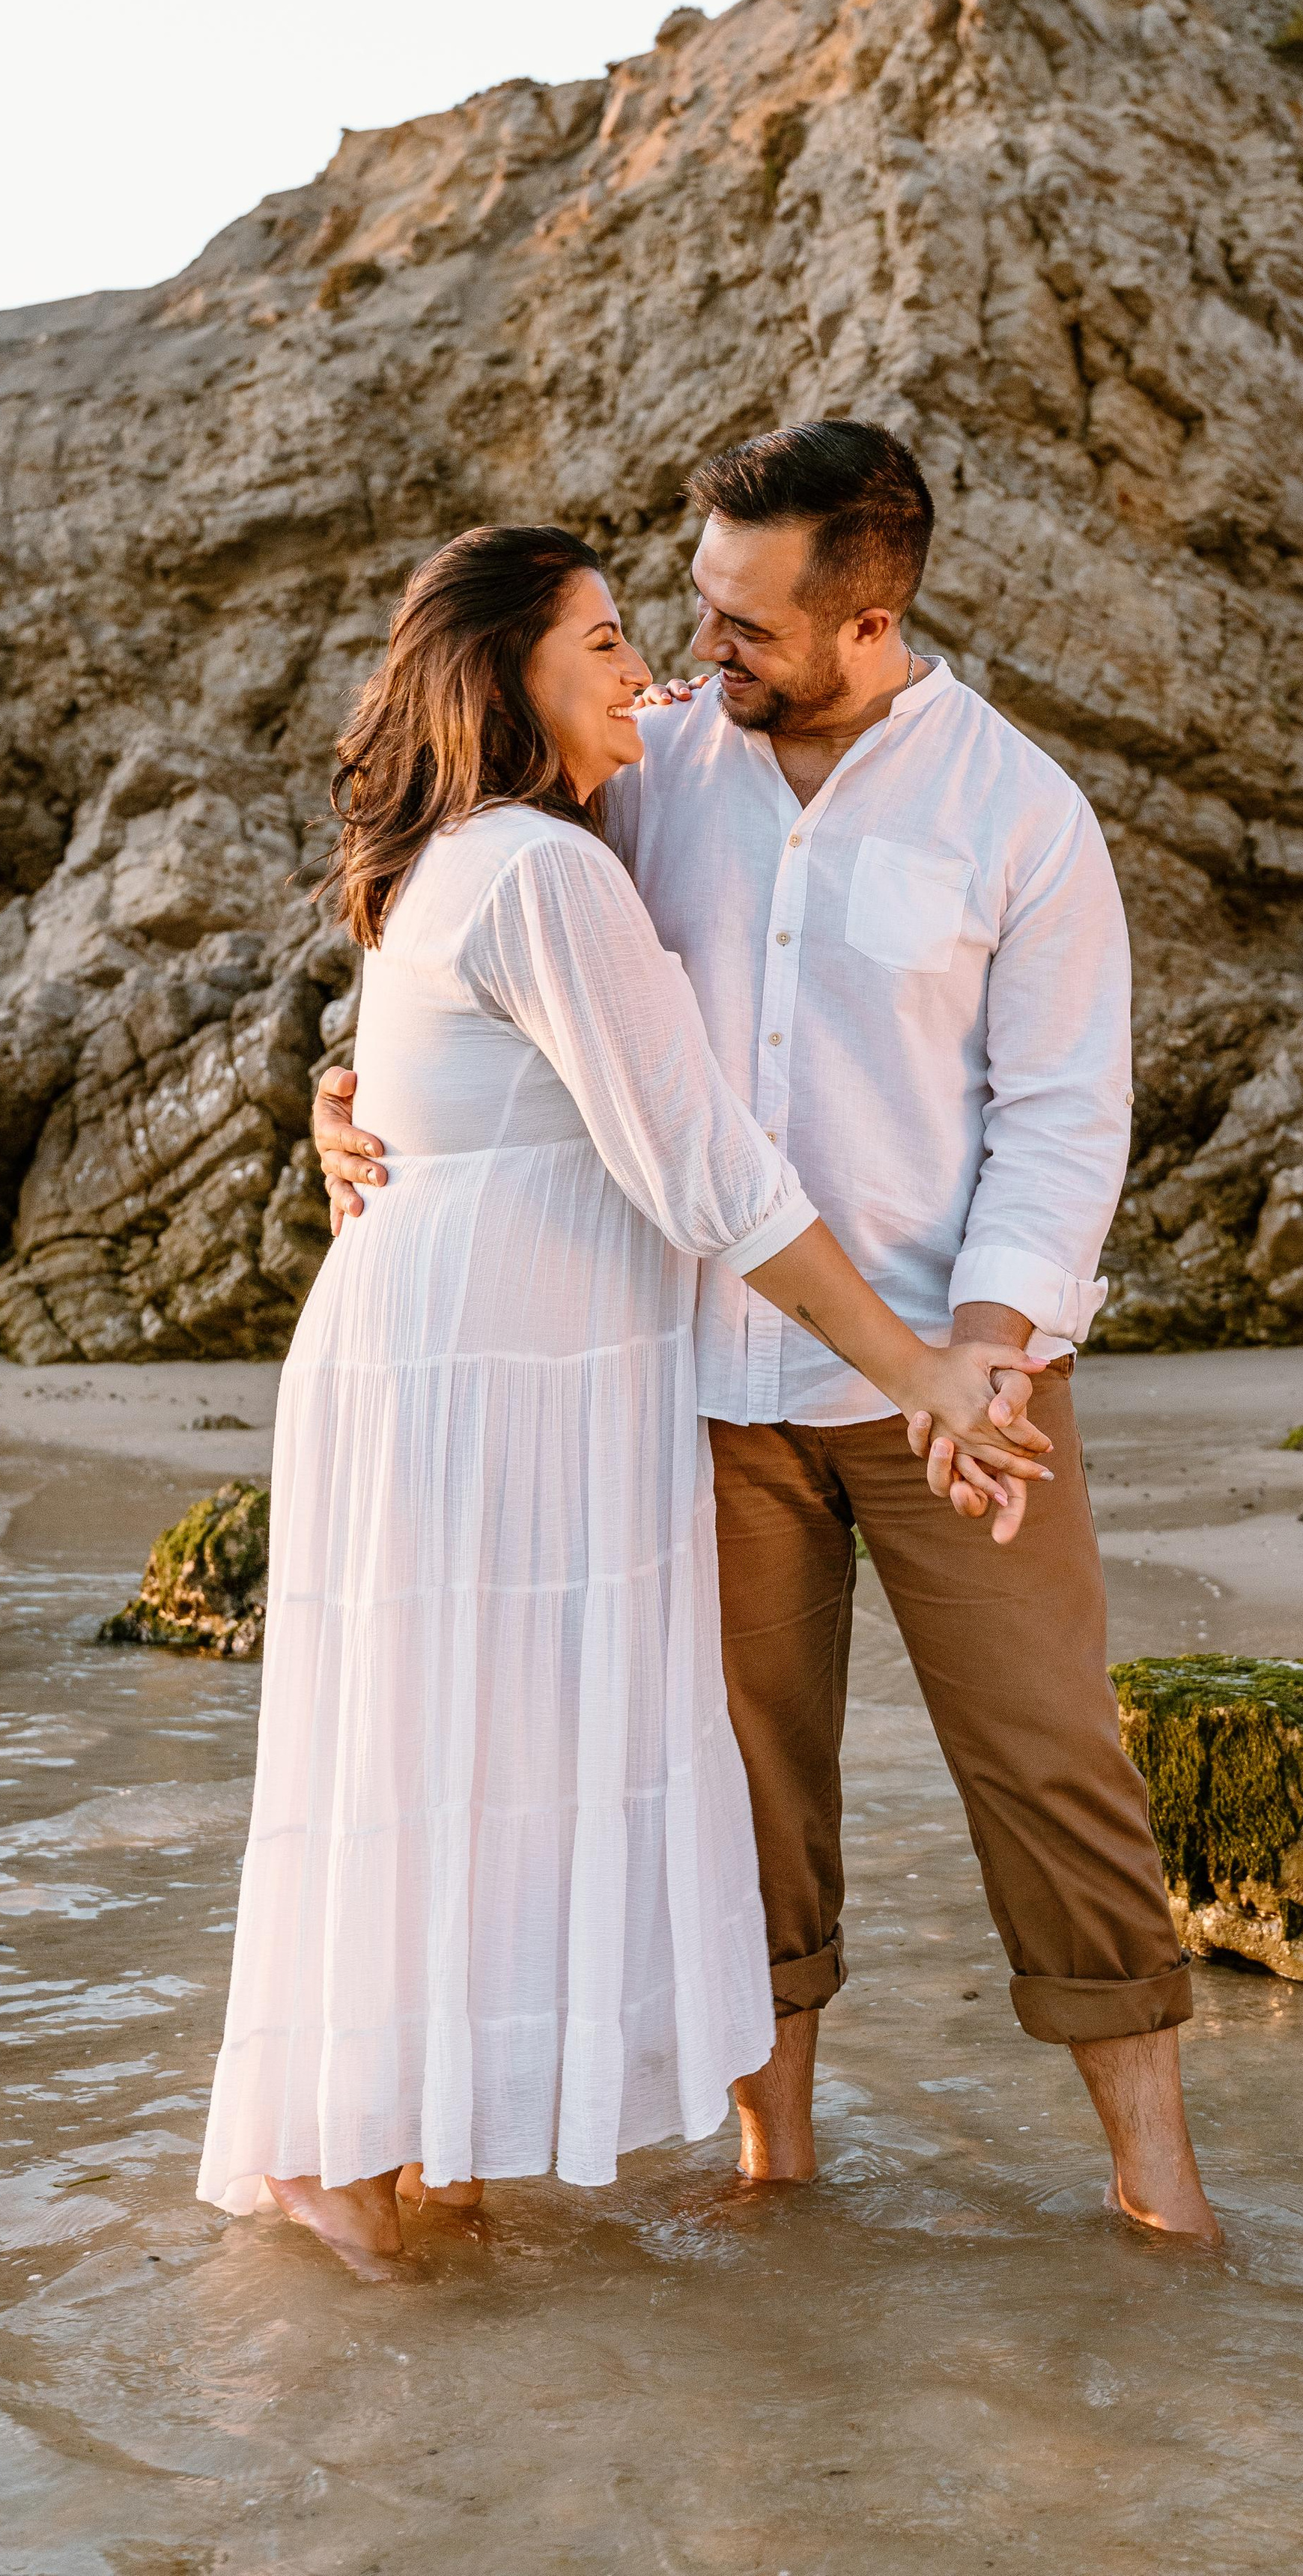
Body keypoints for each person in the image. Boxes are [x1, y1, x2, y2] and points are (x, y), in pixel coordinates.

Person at [315, 425, 1220, 2241]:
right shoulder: (648, 785)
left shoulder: (1018, 814)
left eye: (740, 621)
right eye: (687, 603)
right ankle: (772, 2172)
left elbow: (1060, 1117)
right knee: (740, 1796)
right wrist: (346, 1094)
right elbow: (475, 965)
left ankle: (1159, 2193)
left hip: (956, 1384)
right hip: (696, 1386)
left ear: (867, 617)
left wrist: (969, 1359)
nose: (686, 653)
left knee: (1049, 1763)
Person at [196, 521, 1048, 2268]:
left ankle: (401, 2156)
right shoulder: (540, 872)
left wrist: (335, 1101)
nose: (636, 666)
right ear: (506, 672)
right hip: (500, 1373)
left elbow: (447, 1082)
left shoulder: (467, 853)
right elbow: (709, 1179)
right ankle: (367, 2171)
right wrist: (919, 1378)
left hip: (455, 1350)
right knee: (474, 1752)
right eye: (596, 641)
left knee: (443, 1754)